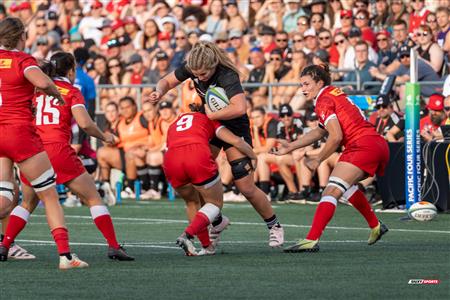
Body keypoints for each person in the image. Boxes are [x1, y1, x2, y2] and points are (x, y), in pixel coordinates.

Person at [145, 41, 284, 247]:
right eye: (196, 74)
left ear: (212, 65)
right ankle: (216, 222)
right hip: (211, 125)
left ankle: (274, 225)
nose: (199, 78)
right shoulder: (193, 67)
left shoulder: (227, 75)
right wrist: (159, 91)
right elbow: (166, 81)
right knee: (199, 177)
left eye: (203, 74)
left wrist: (212, 114)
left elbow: (239, 107)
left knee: (245, 187)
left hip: (233, 127)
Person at [18, 52, 133, 261]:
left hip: (34, 151)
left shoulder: (36, 90)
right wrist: (105, 136)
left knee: (27, 203)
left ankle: (5, 245)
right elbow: (86, 124)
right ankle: (114, 246)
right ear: (71, 71)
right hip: (58, 150)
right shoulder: (71, 91)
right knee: (93, 198)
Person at [0, 17, 87, 269]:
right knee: (49, 195)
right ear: (21, 37)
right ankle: (65, 256)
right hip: (19, 134)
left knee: (6, 195)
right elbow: (42, 81)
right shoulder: (23, 60)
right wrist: (56, 94)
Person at [273, 64, 389, 252]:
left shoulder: (323, 100)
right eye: (301, 85)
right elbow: (320, 131)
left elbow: (335, 136)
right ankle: (376, 225)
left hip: (362, 145)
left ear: (319, 82)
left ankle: (311, 240)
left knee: (331, 191)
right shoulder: (333, 93)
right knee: (346, 187)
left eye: (306, 84)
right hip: (375, 144)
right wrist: (291, 146)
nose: (302, 90)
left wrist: (318, 159)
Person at [165, 104, 257, 256]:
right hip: (195, 154)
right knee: (214, 203)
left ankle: (207, 247)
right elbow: (236, 141)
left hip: (171, 159)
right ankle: (187, 235)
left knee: (192, 202)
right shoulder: (210, 119)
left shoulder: (176, 122)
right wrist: (253, 155)